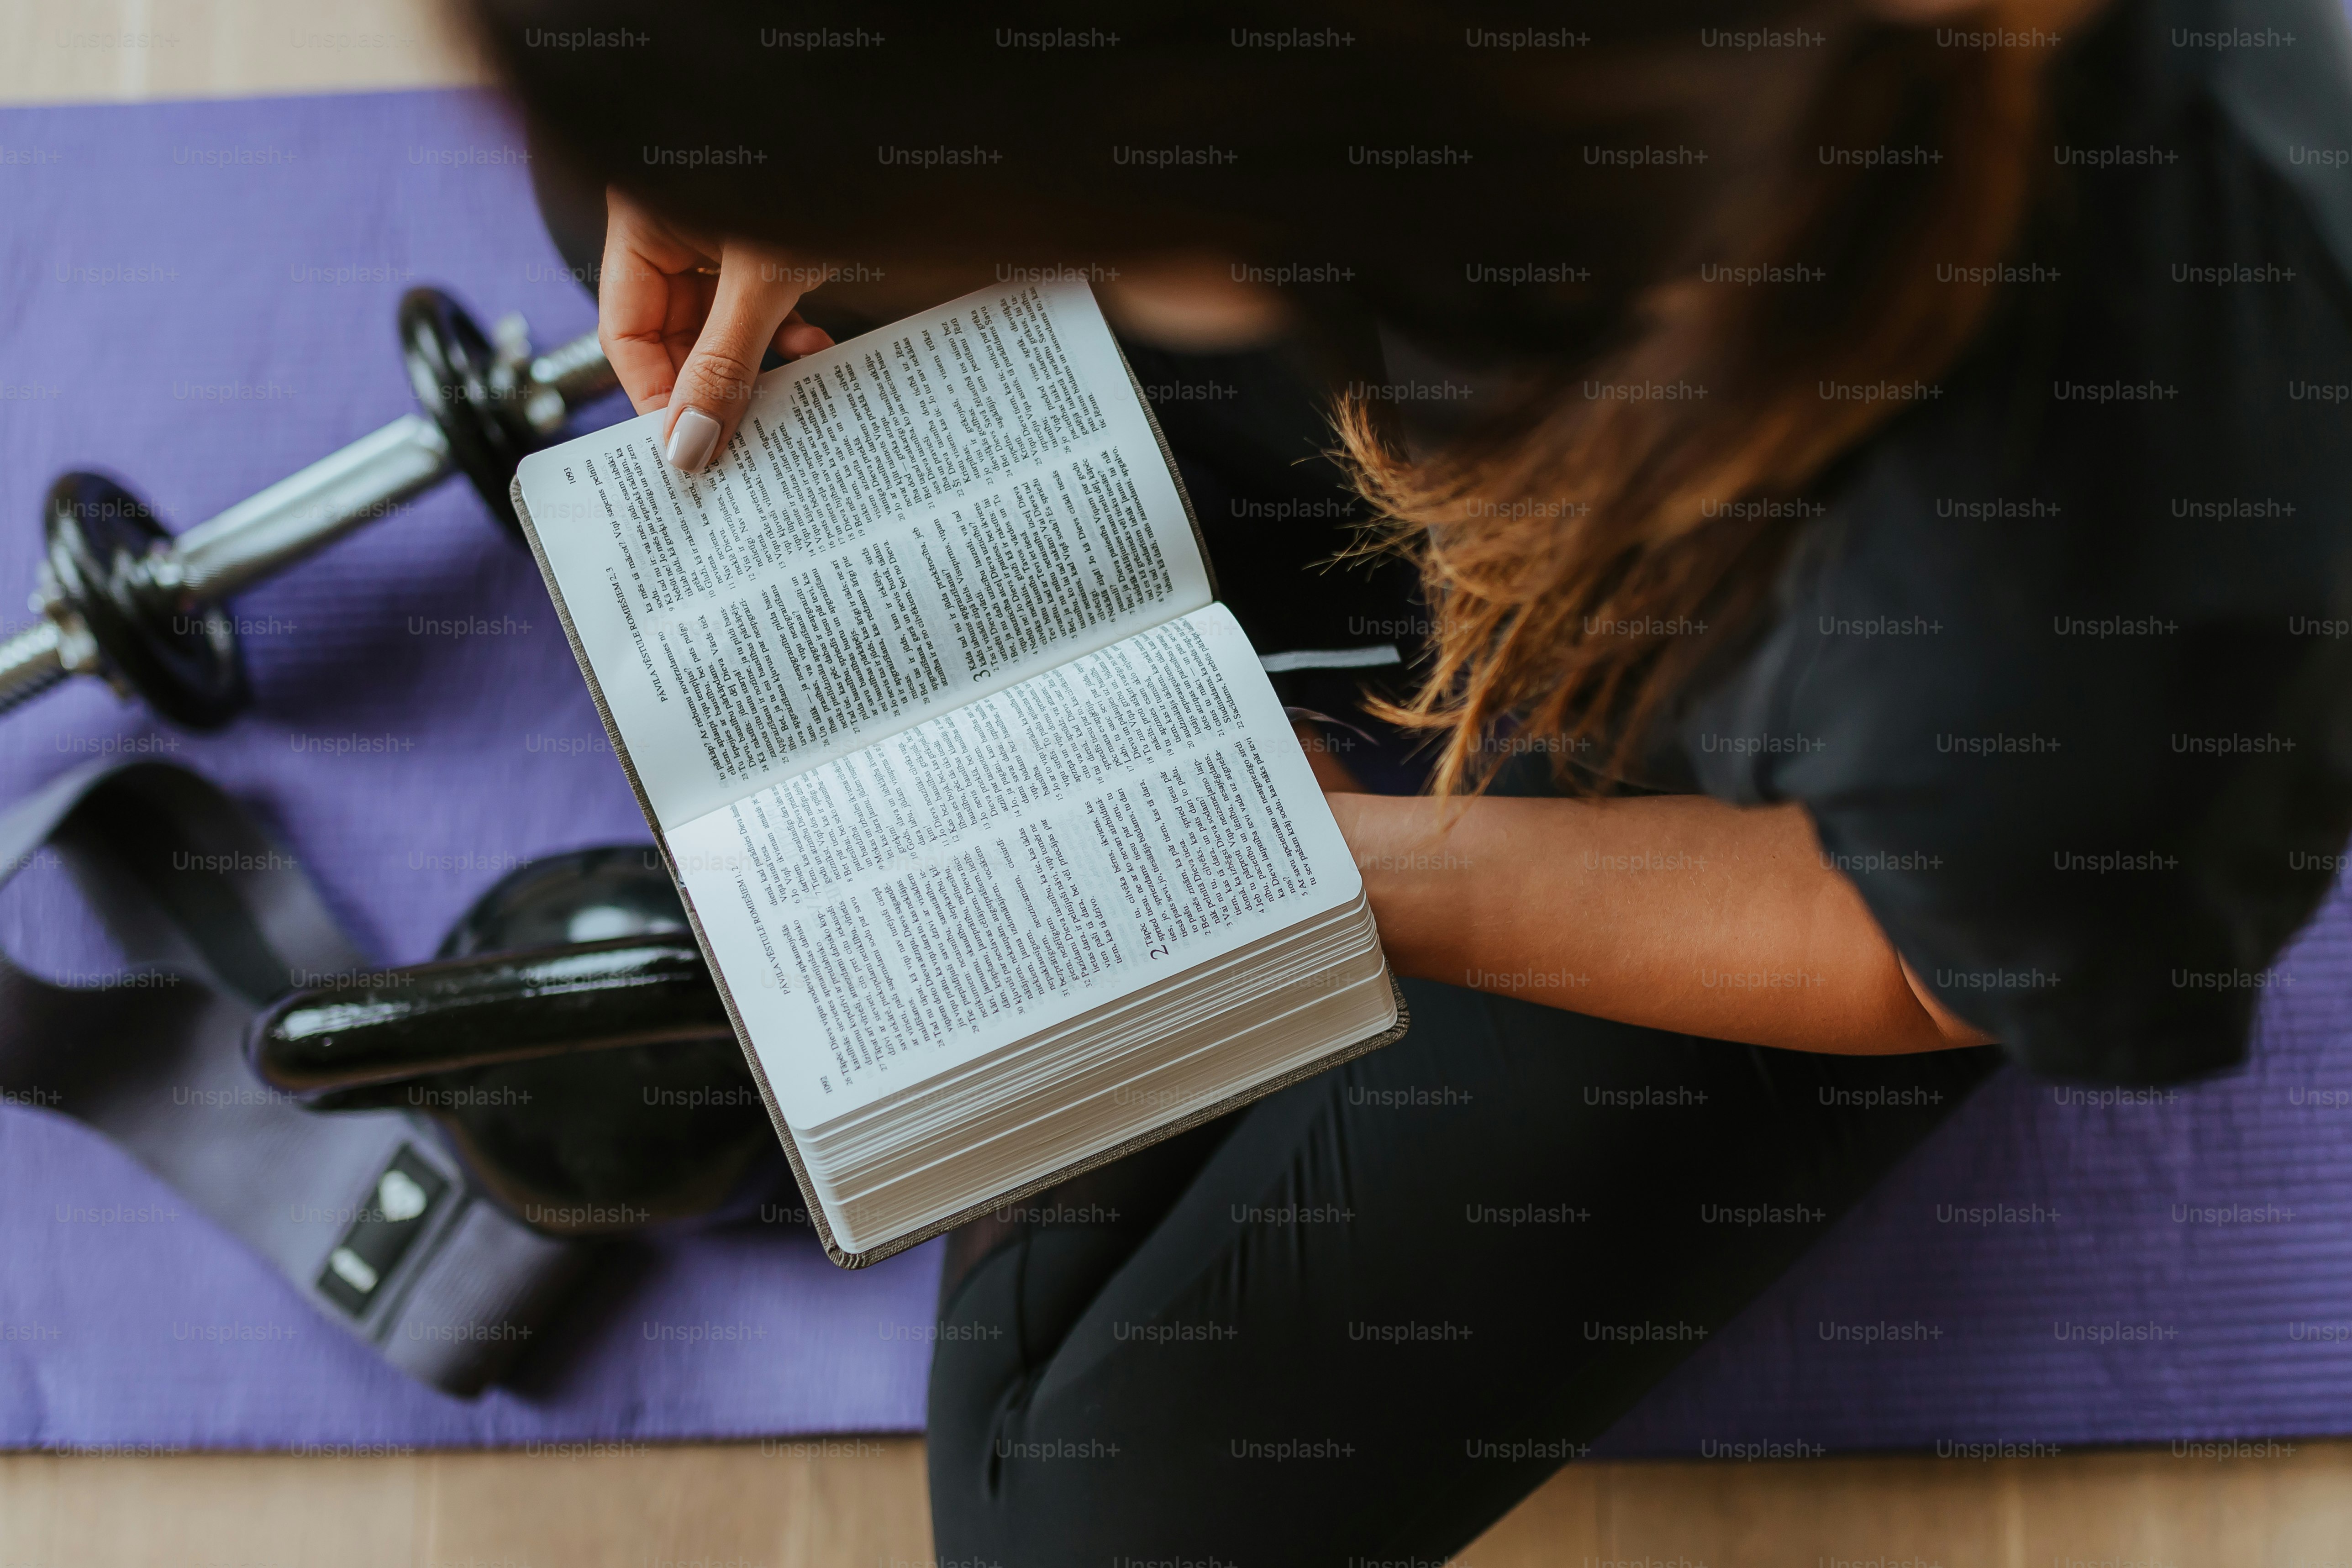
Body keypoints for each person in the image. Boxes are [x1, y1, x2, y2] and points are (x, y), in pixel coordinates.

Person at [475, 0, 2352, 1559]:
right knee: (649, 200)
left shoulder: (2088, 585)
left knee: (1073, 1523)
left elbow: (1919, 959)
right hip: (1474, 321)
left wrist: (1335, 861)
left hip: (1754, 733)